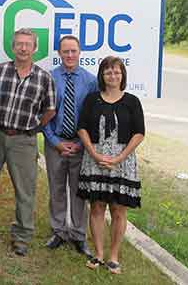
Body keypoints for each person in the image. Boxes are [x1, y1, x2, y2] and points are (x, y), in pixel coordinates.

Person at [0, 28, 56, 257]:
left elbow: (50, 109)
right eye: (19, 44)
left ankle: (22, 236)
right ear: (12, 46)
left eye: (27, 44)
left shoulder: (43, 77)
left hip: (24, 140)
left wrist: (34, 127)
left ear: (34, 48)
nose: (23, 48)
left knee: (25, 190)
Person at [77, 56, 145, 275]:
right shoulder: (92, 99)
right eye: (108, 72)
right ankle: (98, 253)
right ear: (102, 76)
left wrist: (119, 158)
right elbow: (82, 128)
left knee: (118, 209)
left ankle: (113, 256)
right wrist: (94, 153)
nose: (113, 76)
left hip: (122, 162)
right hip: (95, 158)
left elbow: (139, 133)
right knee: (97, 207)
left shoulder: (132, 101)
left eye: (116, 72)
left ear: (122, 75)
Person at [42, 36, 96, 257]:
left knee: (78, 191)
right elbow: (42, 113)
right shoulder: (49, 78)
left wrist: (79, 143)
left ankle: (78, 234)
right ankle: (59, 231)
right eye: (66, 51)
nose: (70, 55)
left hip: (80, 144)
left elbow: (93, 117)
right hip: (55, 142)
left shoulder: (91, 81)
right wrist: (55, 142)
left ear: (80, 52)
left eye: (73, 51)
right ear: (59, 53)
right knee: (56, 188)